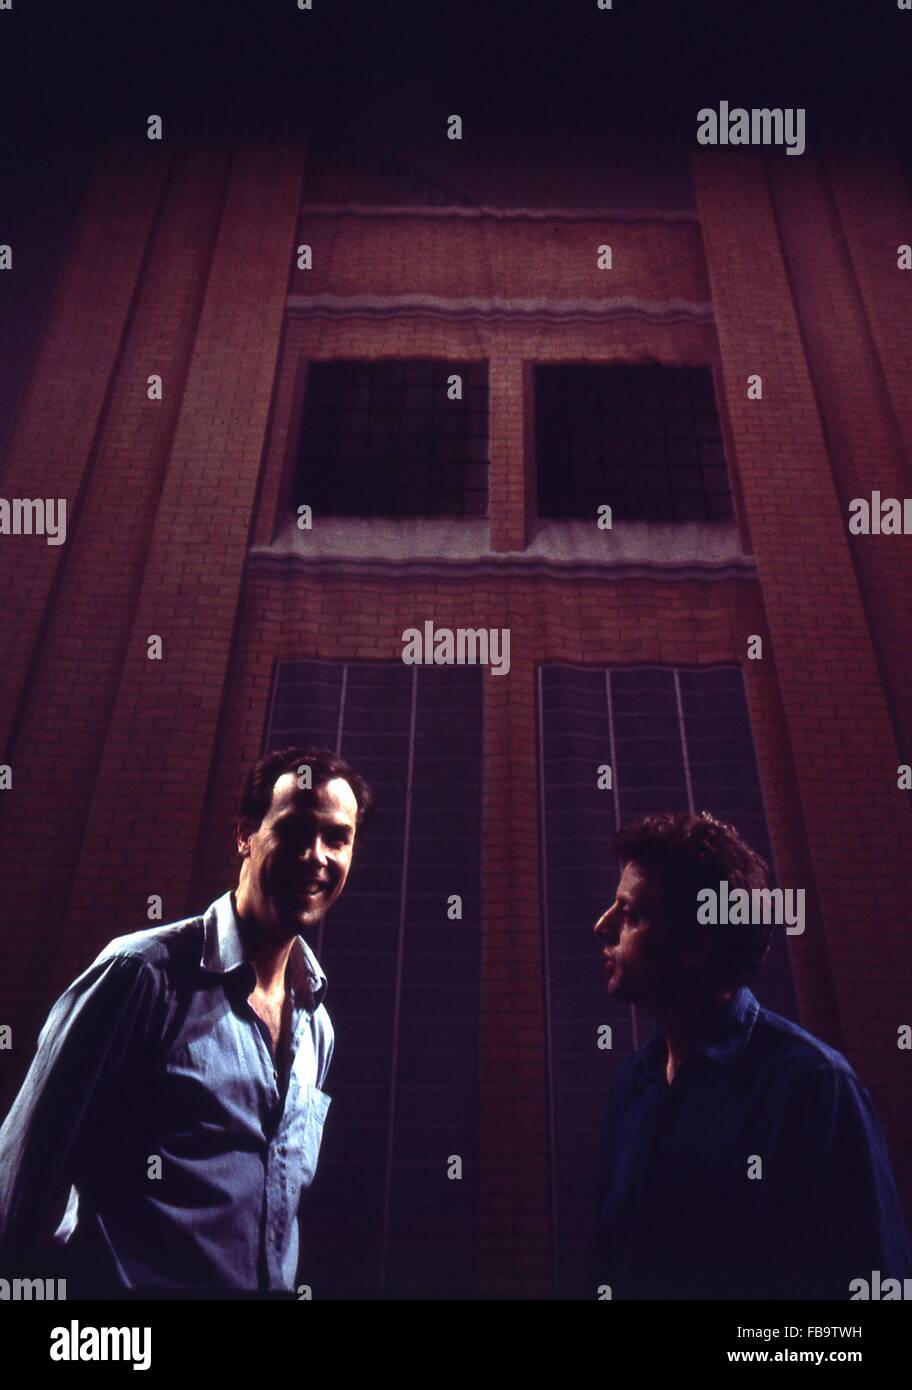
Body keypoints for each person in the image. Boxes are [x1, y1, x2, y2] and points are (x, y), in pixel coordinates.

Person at [0, 744, 373, 1295]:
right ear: (245, 834)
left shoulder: (317, 1026)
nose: (315, 856)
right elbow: (18, 1188)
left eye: (337, 838)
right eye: (294, 830)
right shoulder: (141, 976)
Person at [592, 811, 911, 1300]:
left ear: (696, 942)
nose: (602, 927)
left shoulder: (817, 1089)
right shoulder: (632, 1087)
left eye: (631, 914)